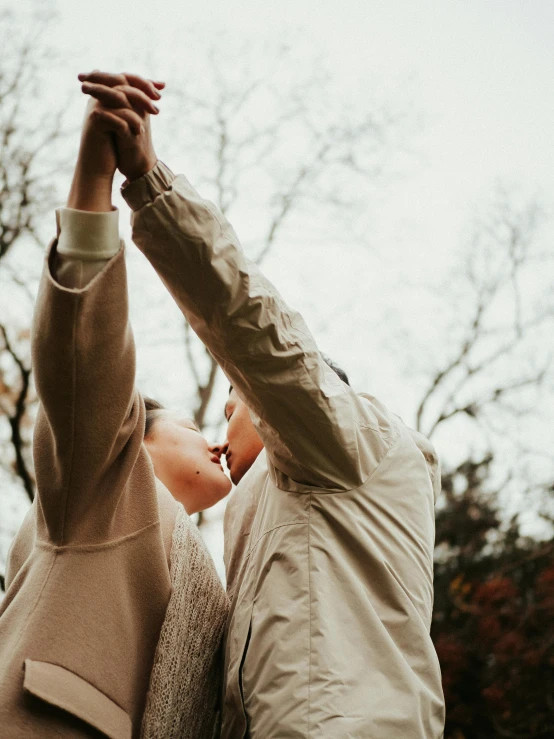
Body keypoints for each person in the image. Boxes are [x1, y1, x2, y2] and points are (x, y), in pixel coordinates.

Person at [78, 70, 446, 738]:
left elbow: (251, 324)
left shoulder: (345, 437)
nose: (223, 424)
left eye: (228, 405)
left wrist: (148, 183)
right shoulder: (276, 508)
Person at [0, 86, 232, 738]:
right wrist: (97, 173)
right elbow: (86, 353)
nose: (215, 442)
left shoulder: (197, 567)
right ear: (136, 437)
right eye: (193, 425)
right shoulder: (103, 481)